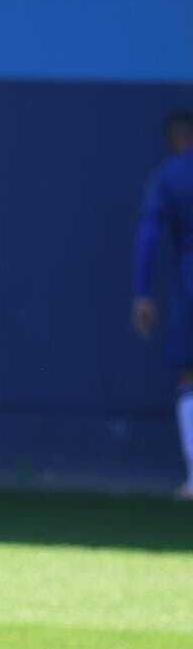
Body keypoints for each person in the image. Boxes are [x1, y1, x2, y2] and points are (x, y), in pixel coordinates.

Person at [131, 110, 193, 498]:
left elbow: (149, 237)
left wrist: (142, 292)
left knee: (189, 379)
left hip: (190, 285)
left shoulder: (169, 176)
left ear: (173, 138)